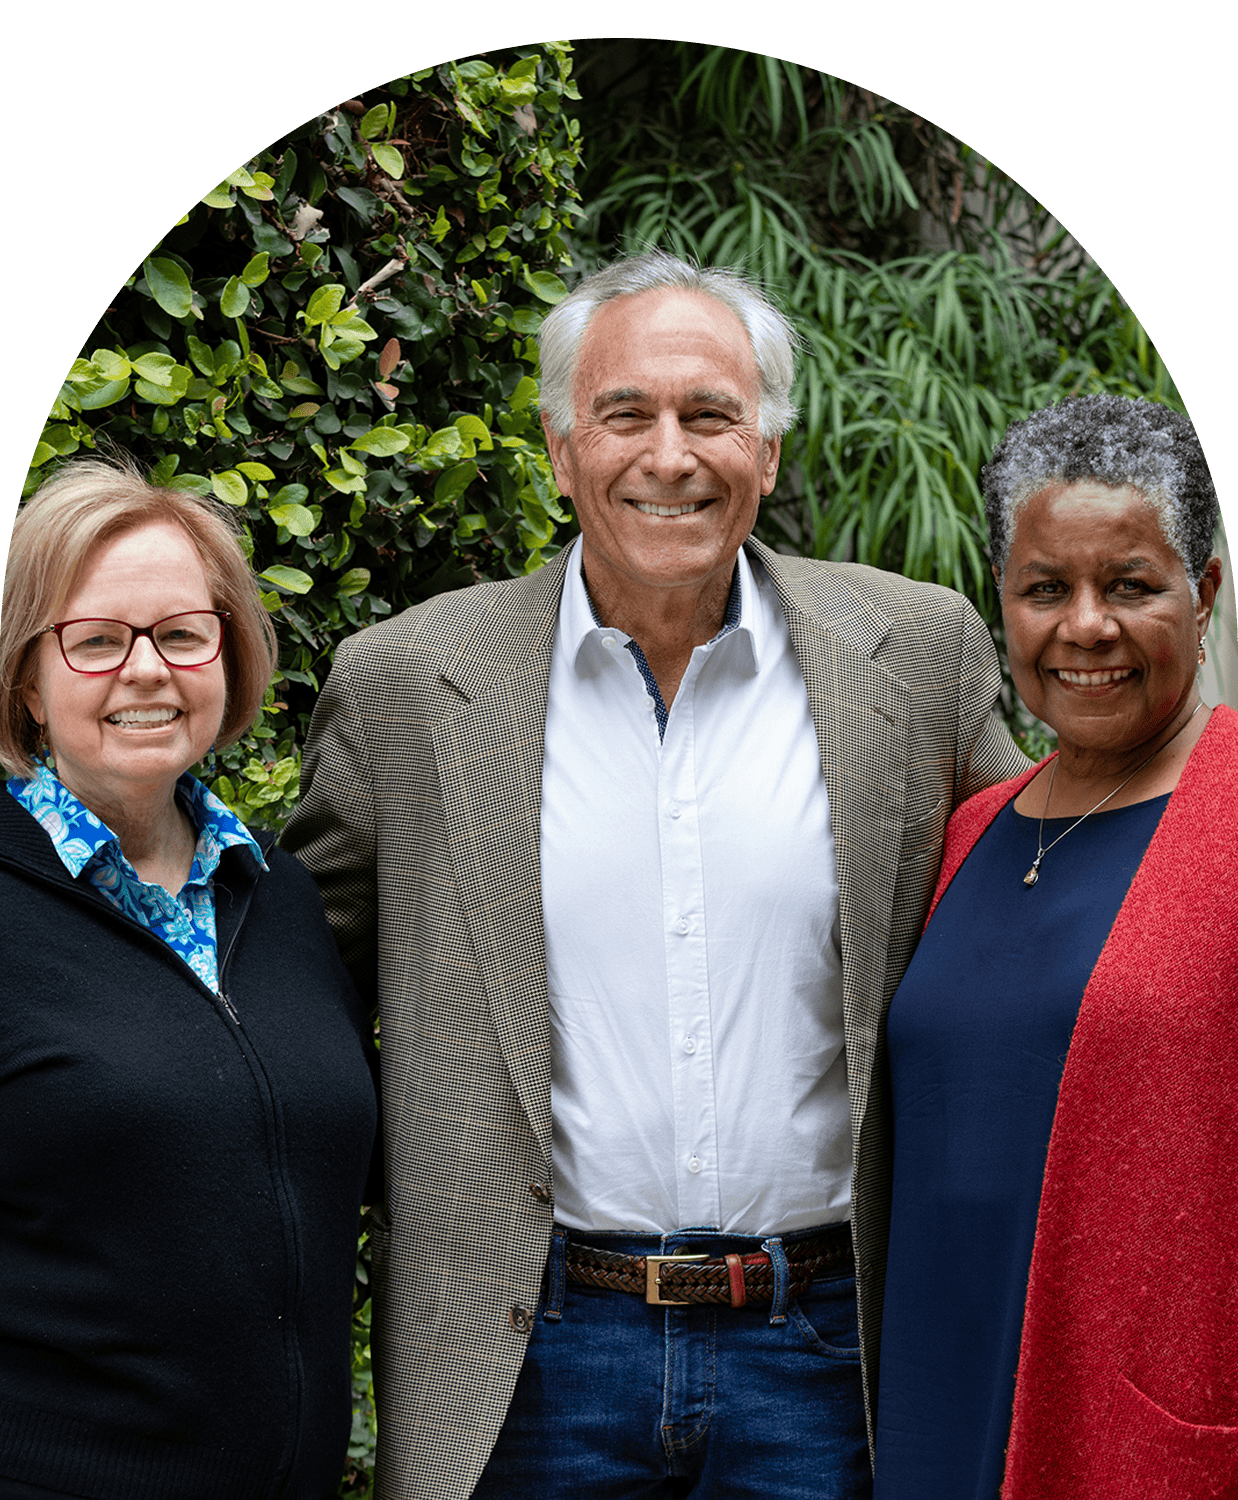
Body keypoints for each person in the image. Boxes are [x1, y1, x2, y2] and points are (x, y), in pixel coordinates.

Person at [283, 249, 1028, 1500]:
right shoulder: (406, 684)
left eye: (710, 415)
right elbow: (290, 1006)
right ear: (559, 447)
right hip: (528, 1364)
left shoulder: (913, 656)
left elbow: (1030, 918)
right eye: (624, 414)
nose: (668, 456)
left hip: (825, 1357)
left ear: (767, 451)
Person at [873, 394, 1237, 1500]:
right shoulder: (969, 833)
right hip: (936, 1397)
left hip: (1139, 1435)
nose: (1084, 627)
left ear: (1204, 592)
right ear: (1003, 599)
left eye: (1129, 585)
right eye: (1044, 590)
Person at [0, 459, 378, 1500]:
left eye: (180, 634)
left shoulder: (282, 897)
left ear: (229, 654)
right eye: (95, 640)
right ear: (26, 680)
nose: (146, 671)